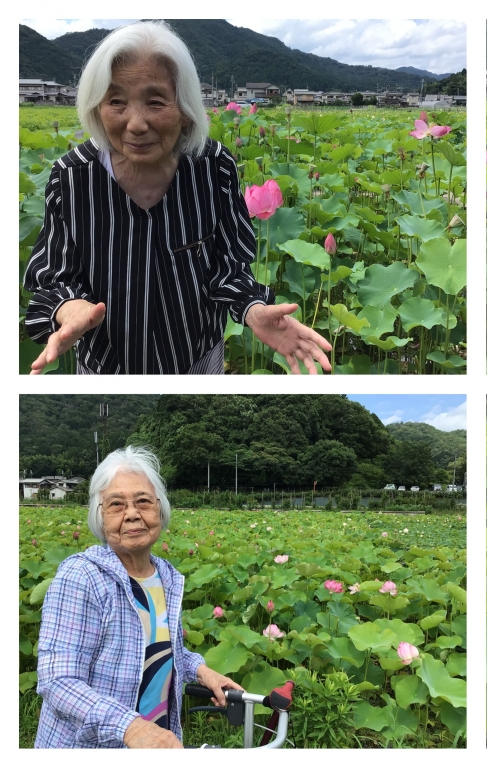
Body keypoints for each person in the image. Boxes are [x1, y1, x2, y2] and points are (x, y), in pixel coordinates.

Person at [24, 21, 332, 375]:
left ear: (185, 111)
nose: (136, 123)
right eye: (116, 102)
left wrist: (253, 309)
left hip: (198, 360)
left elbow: (227, 268)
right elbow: (55, 275)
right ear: (96, 107)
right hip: (106, 367)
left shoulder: (214, 168)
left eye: (155, 102)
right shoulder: (71, 177)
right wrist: (70, 307)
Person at [35, 446, 242, 748]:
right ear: (99, 516)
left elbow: (161, 651)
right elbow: (58, 681)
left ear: (160, 509)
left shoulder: (167, 577)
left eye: (143, 501)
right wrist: (132, 728)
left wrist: (202, 671)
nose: (132, 514)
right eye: (116, 504)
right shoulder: (82, 576)